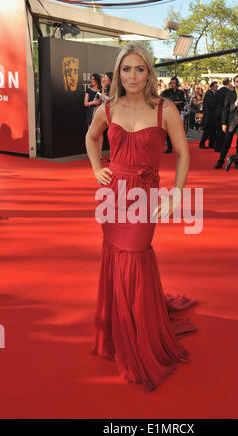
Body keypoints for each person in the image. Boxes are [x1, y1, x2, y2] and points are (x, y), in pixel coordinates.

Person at [85, 43, 198, 393]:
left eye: (139, 69)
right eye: (126, 69)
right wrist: (97, 169)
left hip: (145, 195)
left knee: (134, 255)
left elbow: (182, 154)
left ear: (149, 72)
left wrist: (177, 193)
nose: (132, 76)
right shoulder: (108, 107)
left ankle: (138, 331)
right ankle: (118, 328)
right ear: (117, 73)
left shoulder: (165, 109)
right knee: (115, 256)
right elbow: (91, 138)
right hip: (113, 193)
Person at [215, 74, 238, 168]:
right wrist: (224, 123)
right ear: (234, 82)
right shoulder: (229, 93)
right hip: (231, 121)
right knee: (226, 143)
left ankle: (237, 162)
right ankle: (220, 161)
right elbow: (225, 109)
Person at [161, 76, 185, 153]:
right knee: (168, 132)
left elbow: (183, 102)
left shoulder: (181, 92)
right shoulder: (167, 92)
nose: (172, 84)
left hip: (177, 113)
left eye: (174, 83)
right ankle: (169, 147)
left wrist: (176, 103)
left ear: (177, 84)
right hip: (168, 113)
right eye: (171, 83)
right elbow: (160, 99)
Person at [199, 81, 218, 149]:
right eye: (216, 86)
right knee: (207, 131)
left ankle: (211, 144)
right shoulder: (209, 93)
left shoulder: (214, 93)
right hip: (208, 115)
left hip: (213, 115)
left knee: (213, 130)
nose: (217, 88)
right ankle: (202, 143)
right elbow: (210, 104)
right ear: (212, 87)